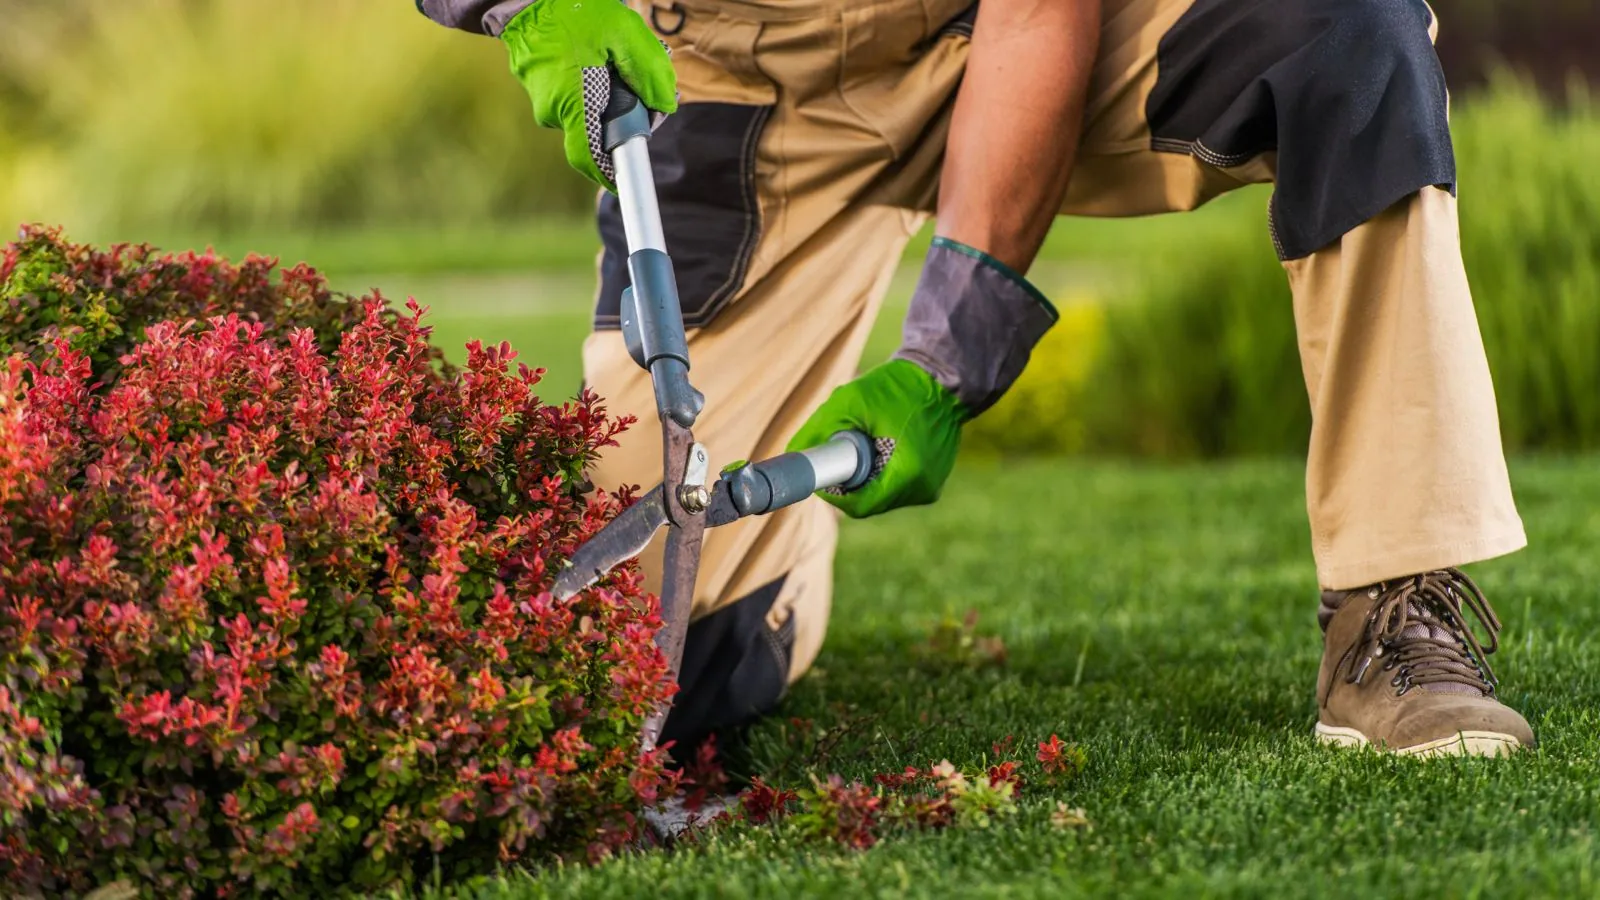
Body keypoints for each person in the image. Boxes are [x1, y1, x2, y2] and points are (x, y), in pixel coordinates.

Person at [417, 0, 1534, 759]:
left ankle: (1395, 600)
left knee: (1341, 34)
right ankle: (778, 569)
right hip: (723, 86)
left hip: (980, 47)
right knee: (666, 674)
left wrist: (946, 363)